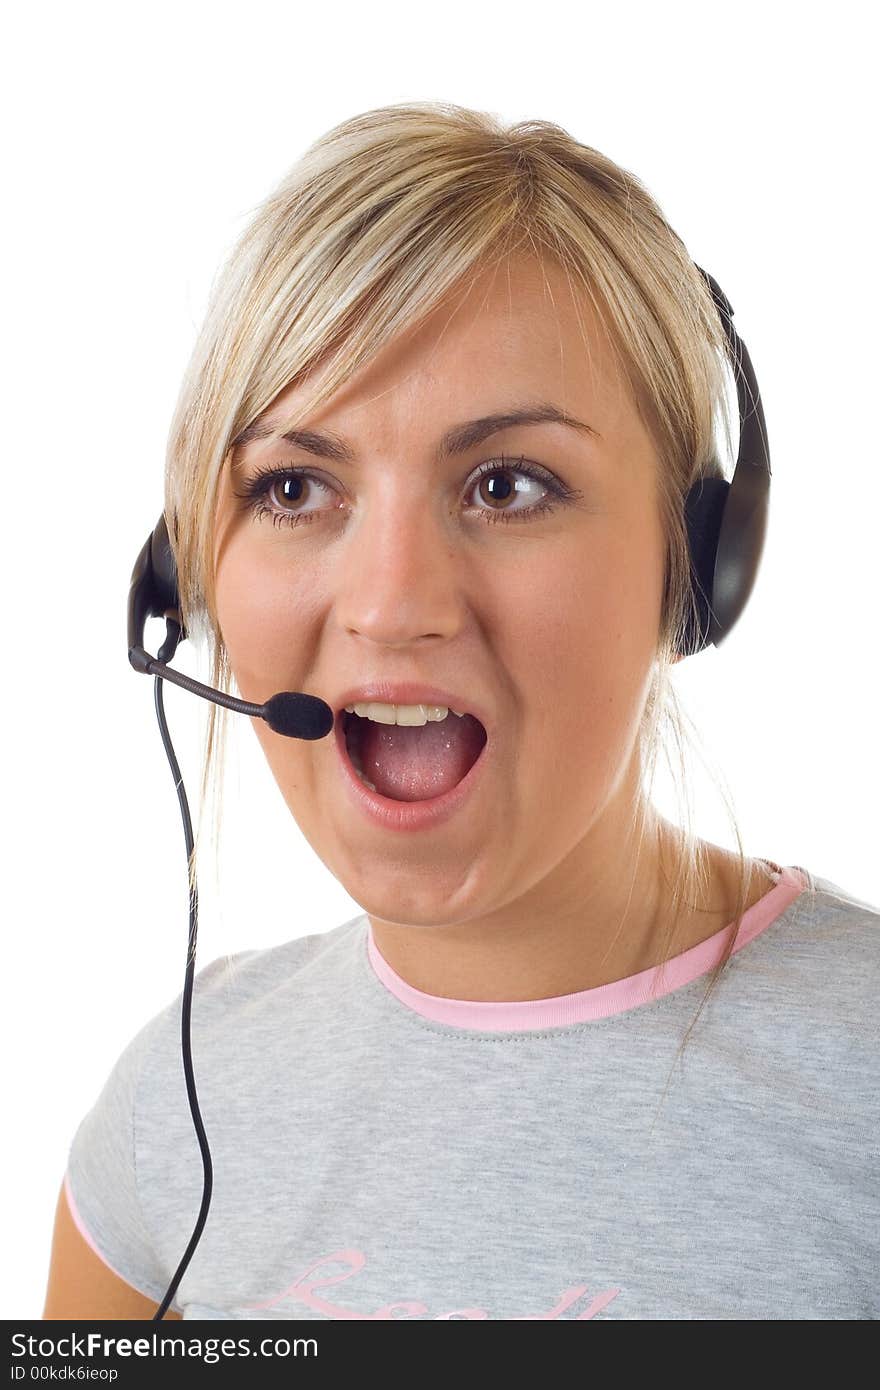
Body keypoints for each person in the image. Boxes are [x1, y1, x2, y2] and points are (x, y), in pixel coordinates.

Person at [43, 102, 878, 1321]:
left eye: (508, 483)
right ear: (192, 576)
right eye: (294, 485)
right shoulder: (178, 1105)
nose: (391, 604)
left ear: (695, 563)